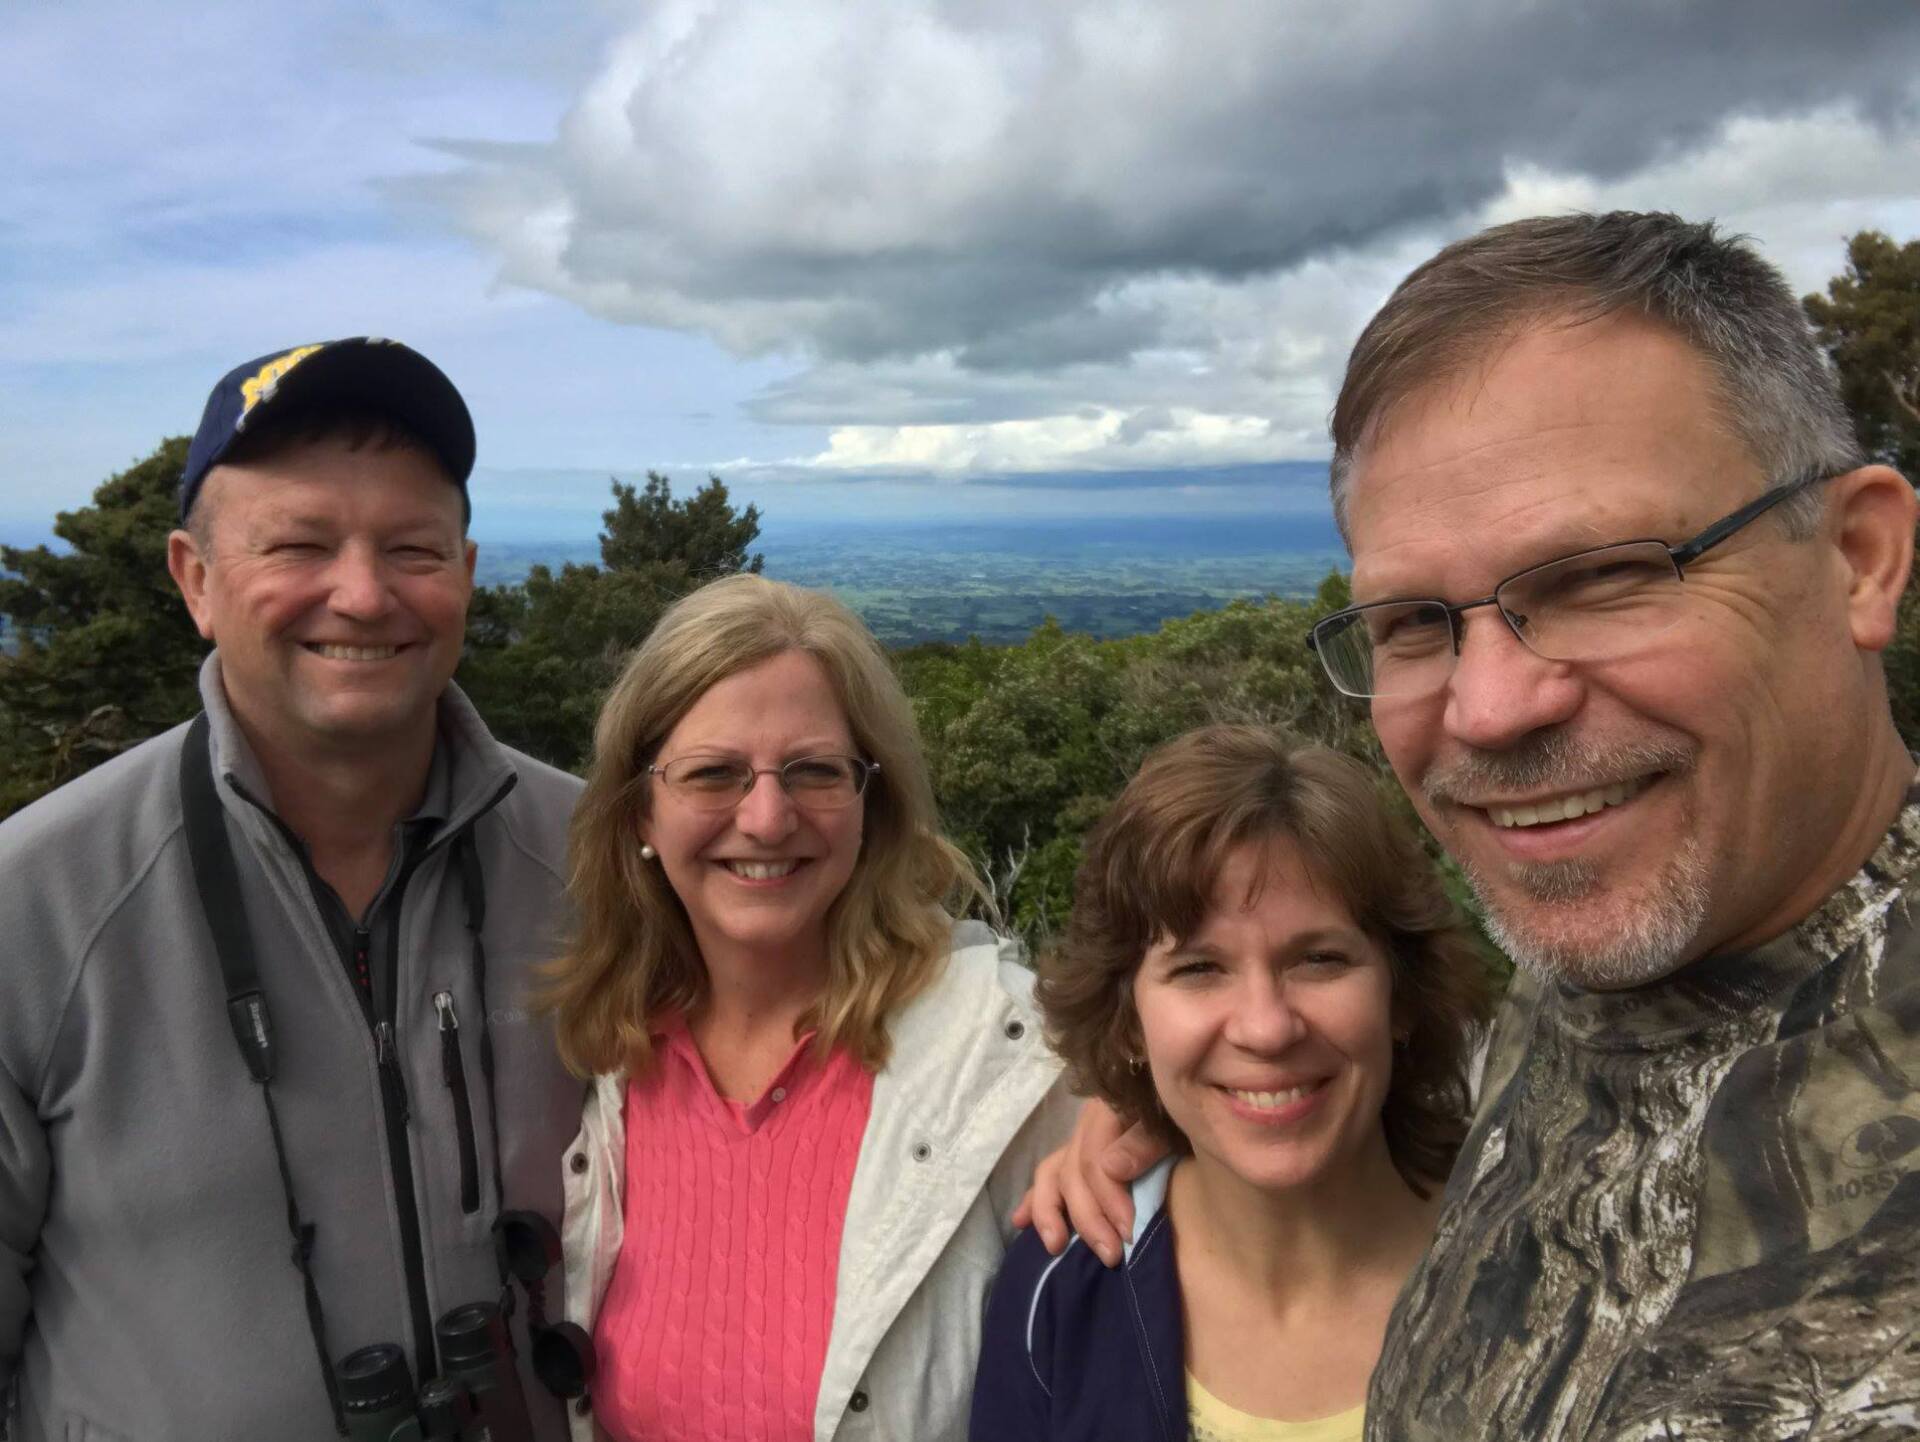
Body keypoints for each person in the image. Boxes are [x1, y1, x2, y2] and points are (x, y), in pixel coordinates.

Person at [1021, 211, 1920, 1439]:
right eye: (1410, 624)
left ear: (1859, 558)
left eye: (1603, 573)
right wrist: (1163, 1091)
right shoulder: (1596, 976)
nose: (1488, 709)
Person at [0, 339, 586, 1441]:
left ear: (463, 572)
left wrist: (1025, 1109)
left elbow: (843, 1006)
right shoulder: (31, 911)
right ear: (196, 580)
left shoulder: (600, 863)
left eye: (411, 547)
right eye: (300, 544)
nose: (362, 594)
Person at [544, 573, 1077, 1442]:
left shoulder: (1009, 1060)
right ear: (641, 807)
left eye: (814, 772)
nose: (765, 816)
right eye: (713, 774)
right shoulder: (605, 1059)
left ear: (873, 801)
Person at [971, 726, 1490, 1442]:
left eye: (1318, 959)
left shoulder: (1541, 1259)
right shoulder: (1064, 1294)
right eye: (1200, 969)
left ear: (1400, 996)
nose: (1266, 1028)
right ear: (1128, 1022)